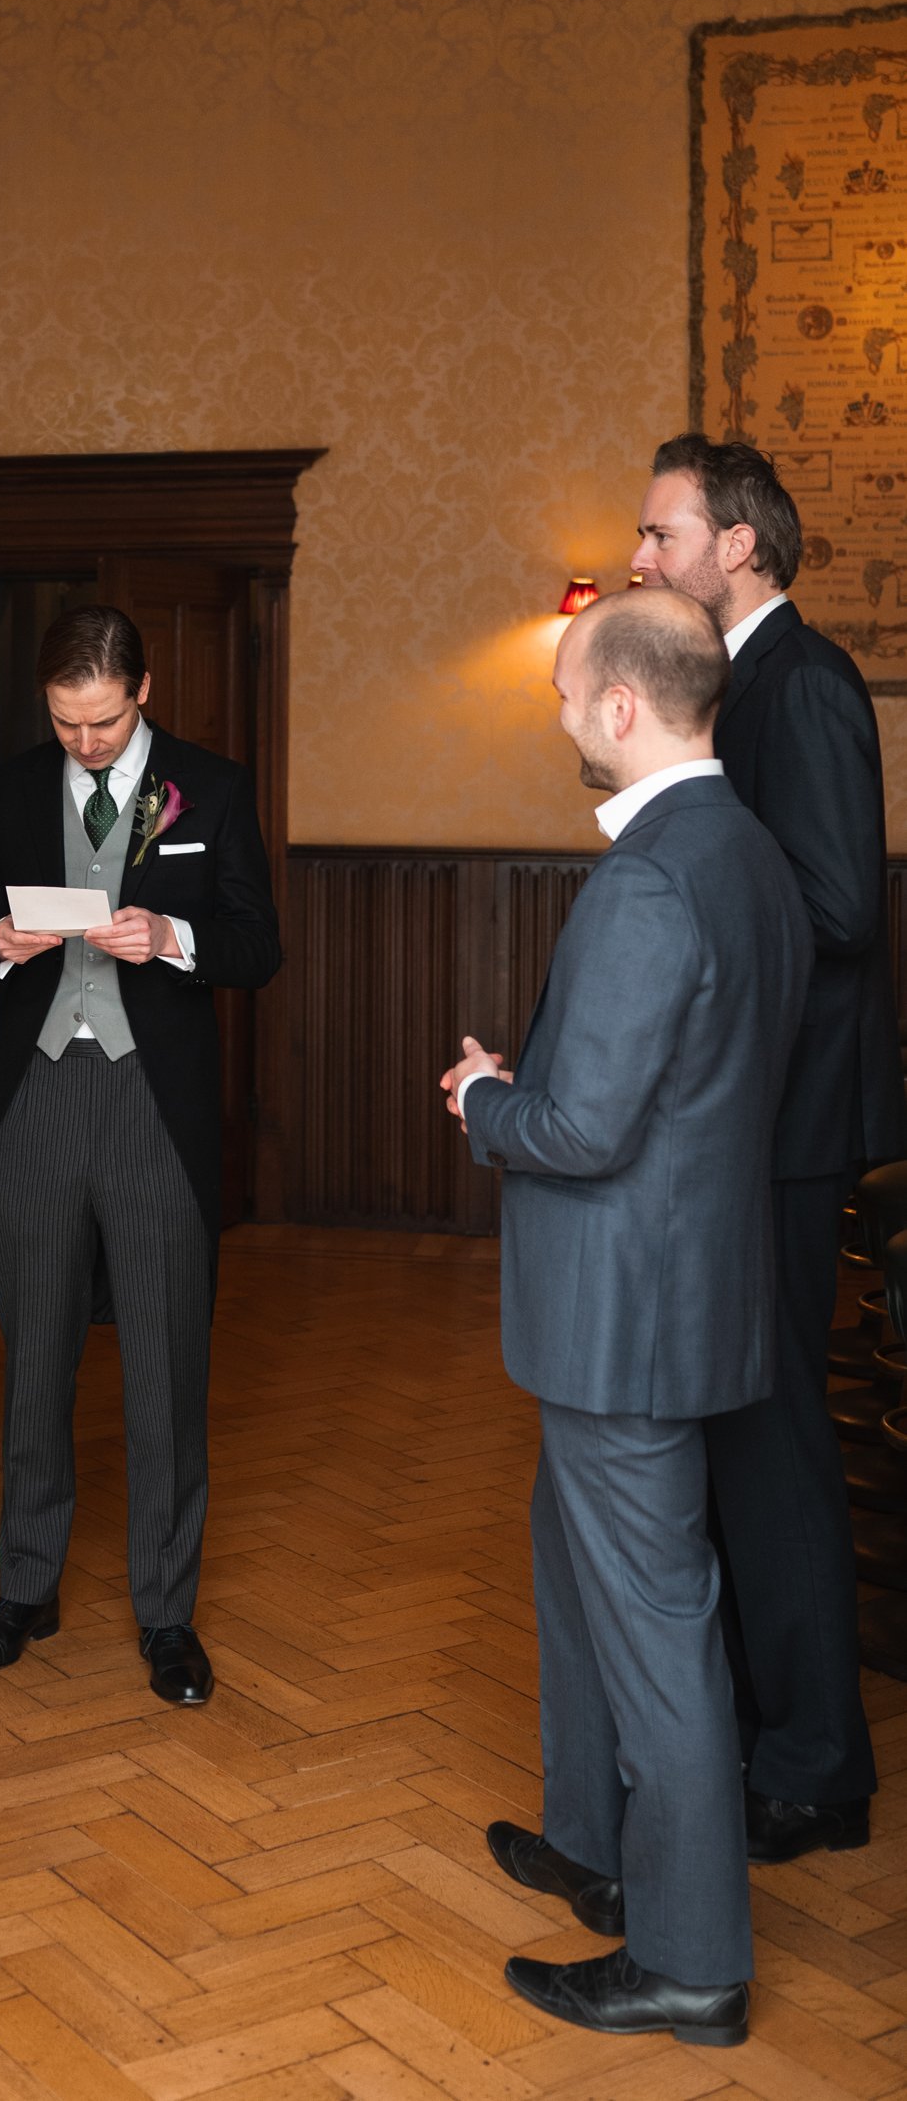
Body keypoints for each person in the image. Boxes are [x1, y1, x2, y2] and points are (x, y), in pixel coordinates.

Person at [442, 589, 811, 2046]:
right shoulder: (747, 854)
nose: (552, 716)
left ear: (616, 707)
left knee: (657, 1630)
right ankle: (592, 1843)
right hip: (683, 1293)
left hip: (623, 1316)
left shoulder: (651, 877)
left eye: (558, 694)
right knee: (572, 1568)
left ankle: (687, 1960)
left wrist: (483, 1101)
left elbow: (586, 1127)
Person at [631, 435, 905, 1859]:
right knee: (742, 1430)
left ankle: (812, 1769)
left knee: (775, 1439)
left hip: (789, 1130)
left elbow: (838, 911)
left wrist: (690, 943)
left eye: (657, 532)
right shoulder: (737, 684)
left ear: (734, 544)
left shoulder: (801, 686)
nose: (638, 557)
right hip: (745, 1118)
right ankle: (754, 1734)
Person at [0, 606, 281, 1705]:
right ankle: (25, 1585)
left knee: (163, 1368)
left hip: (153, 1100)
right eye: (63, 723)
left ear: (140, 689)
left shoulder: (211, 787)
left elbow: (257, 944)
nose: (82, 743)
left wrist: (171, 939)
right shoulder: (7, 787)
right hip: (37, 1094)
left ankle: (165, 1612)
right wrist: (0, 945)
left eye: (99, 721)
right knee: (32, 1357)